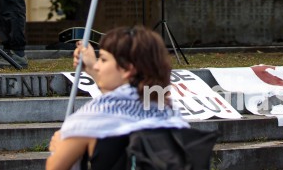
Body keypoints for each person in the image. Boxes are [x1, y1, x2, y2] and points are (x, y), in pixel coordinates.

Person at [46, 26, 188, 170]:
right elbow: (125, 97)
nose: (97, 66)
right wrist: (91, 68)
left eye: (103, 59)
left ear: (127, 69)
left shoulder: (93, 119)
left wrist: (60, 147)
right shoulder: (169, 112)